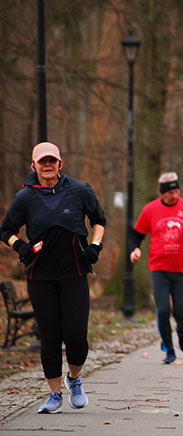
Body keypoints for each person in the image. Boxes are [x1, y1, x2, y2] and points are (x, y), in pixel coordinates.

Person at [0, 142, 106, 414]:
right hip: (40, 275)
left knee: (76, 335)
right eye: (42, 161)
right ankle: (54, 394)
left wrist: (94, 246)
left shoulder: (79, 190)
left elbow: (99, 220)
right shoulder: (25, 197)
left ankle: (74, 378)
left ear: (60, 164)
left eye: (52, 161)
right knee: (50, 335)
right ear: (33, 166)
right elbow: (6, 230)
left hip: (74, 272)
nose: (47, 165)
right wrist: (19, 245)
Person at [128, 172, 183, 364]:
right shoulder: (150, 209)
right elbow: (136, 235)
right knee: (162, 310)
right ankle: (169, 350)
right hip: (158, 268)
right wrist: (134, 249)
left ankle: (181, 328)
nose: (174, 196)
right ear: (162, 193)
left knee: (179, 312)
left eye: (177, 191)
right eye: (170, 193)